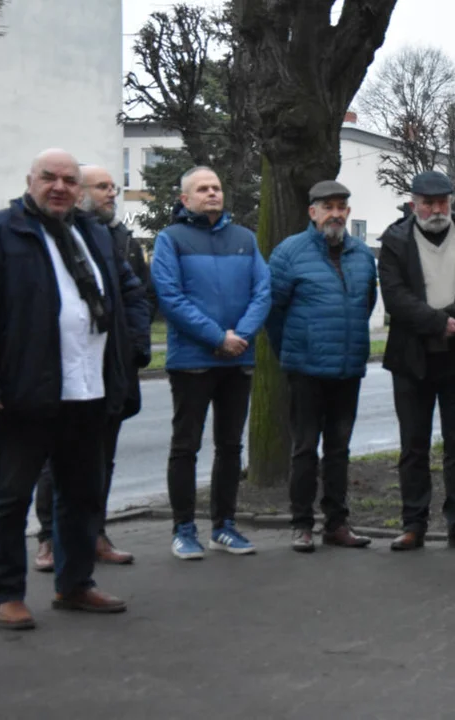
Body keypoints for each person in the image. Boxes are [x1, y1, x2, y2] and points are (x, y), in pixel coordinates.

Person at [0, 149, 149, 630]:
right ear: (29, 181)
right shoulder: (0, 231)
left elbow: (129, 292)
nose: (59, 187)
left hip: (89, 390)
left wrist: (132, 351)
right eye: (48, 178)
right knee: (8, 500)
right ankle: (6, 594)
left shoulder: (92, 233)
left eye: (69, 180)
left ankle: (75, 584)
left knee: (82, 494)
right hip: (24, 393)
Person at [33, 165, 150, 570]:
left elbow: (138, 295)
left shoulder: (118, 238)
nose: (111, 194)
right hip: (64, 372)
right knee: (56, 460)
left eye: (113, 188)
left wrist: (134, 348)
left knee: (103, 458)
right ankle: (49, 538)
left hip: (110, 369)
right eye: (102, 187)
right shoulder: (54, 236)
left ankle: (95, 532)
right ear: (78, 192)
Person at [152, 166, 271, 560]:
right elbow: (170, 298)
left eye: (216, 187)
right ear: (184, 199)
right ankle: (184, 528)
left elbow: (262, 291)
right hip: (192, 361)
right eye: (202, 189)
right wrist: (217, 337)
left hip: (237, 360)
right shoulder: (171, 240)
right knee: (185, 446)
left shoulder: (245, 239)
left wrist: (241, 337)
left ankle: (225, 525)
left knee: (230, 446)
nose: (212, 194)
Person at [377, 171, 455, 551]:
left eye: (442, 202)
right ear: (414, 204)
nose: (435, 210)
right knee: (414, 445)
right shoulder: (394, 241)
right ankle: (413, 523)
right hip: (410, 358)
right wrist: (435, 322)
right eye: (427, 203)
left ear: (451, 202)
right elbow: (394, 296)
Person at [268, 180, 378, 553]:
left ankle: (337, 522)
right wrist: (294, 350)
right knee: (303, 448)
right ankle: (301, 523)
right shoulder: (288, 253)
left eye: (341, 207)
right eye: (327, 206)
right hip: (306, 368)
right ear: (312, 212)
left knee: (339, 449)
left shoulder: (362, 255)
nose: (335, 214)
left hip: (348, 369)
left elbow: (366, 304)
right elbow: (274, 310)